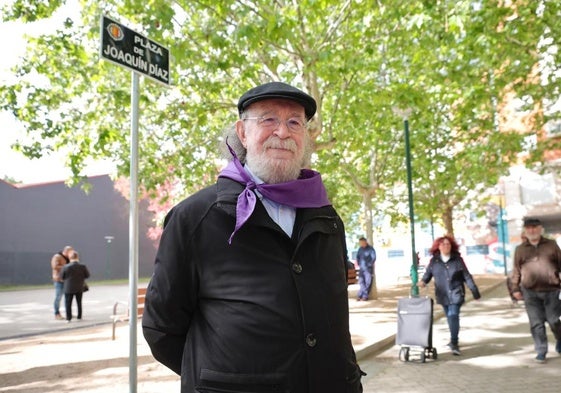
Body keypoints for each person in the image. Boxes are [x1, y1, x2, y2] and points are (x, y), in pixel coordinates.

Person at [142, 81, 364, 393]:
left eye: (294, 122)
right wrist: (223, 377)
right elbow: (161, 328)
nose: (283, 132)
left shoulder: (327, 218)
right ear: (243, 133)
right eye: (268, 119)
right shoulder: (194, 218)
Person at [419, 235, 480, 356]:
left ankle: (454, 343)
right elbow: (428, 274)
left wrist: (475, 291)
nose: (446, 246)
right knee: (450, 317)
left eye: (448, 244)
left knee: (453, 316)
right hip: (443, 295)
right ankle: (453, 339)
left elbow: (466, 276)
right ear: (439, 247)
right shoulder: (434, 261)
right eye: (443, 244)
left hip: (456, 293)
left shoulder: (457, 260)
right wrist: (423, 281)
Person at [511, 217, 561, 364]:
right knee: (536, 323)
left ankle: (560, 339)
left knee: (554, 321)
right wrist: (515, 289)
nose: (532, 230)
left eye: (534, 227)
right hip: (530, 292)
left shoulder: (551, 245)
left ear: (540, 229)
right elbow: (516, 271)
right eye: (529, 228)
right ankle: (541, 350)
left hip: (552, 290)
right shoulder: (520, 249)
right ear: (525, 231)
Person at [61, 250, 90, 323]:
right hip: (79, 287)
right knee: (79, 302)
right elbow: (87, 275)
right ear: (77, 257)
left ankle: (68, 318)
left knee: (68, 303)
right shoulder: (82, 266)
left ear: (69, 258)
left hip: (68, 288)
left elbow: (62, 276)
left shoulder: (66, 267)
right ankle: (79, 316)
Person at [51, 245, 73, 320]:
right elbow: (55, 267)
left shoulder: (70, 258)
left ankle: (68, 313)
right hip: (59, 280)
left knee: (68, 298)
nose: (71, 254)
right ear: (66, 251)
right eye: (70, 252)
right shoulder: (57, 256)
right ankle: (57, 314)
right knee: (58, 297)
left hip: (67, 280)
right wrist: (67, 266)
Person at [355, 237, 376, 301]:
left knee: (367, 283)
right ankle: (361, 295)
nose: (361, 244)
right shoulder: (360, 249)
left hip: (368, 269)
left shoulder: (371, 249)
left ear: (365, 242)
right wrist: (359, 264)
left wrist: (369, 265)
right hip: (362, 268)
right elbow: (357, 257)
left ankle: (363, 296)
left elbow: (373, 258)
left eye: (362, 242)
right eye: (360, 243)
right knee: (361, 282)